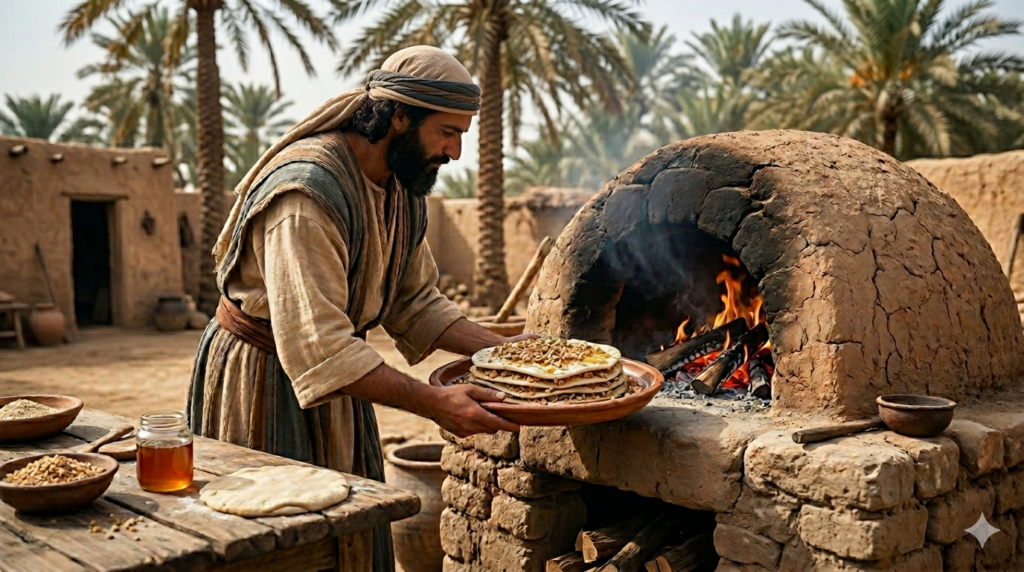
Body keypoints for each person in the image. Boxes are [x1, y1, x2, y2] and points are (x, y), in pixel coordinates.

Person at [187, 46, 521, 570]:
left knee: (349, 548)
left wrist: (514, 354)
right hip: (263, 384)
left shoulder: (401, 186)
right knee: (280, 547)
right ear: (399, 117)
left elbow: (415, 302)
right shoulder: (307, 196)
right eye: (448, 132)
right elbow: (321, 346)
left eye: (462, 135)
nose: (455, 153)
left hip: (341, 386)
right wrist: (436, 403)